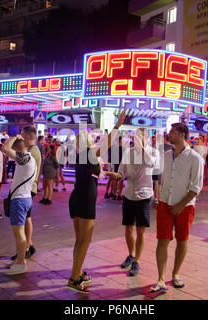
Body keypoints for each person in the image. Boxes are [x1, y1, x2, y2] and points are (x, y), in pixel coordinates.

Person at [67, 110, 126, 293]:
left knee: (80, 241)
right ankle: (74, 279)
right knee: (84, 241)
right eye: (91, 138)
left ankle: (77, 272)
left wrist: (110, 174)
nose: (94, 140)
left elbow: (94, 173)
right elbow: (106, 144)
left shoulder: (82, 156)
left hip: (78, 197)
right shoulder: (88, 154)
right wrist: (117, 125)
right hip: (84, 199)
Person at [149, 123, 204, 293]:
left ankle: (175, 274)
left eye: (172, 132)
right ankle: (160, 279)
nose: (169, 134)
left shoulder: (195, 158)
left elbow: (197, 186)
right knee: (162, 240)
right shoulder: (166, 155)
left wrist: (181, 204)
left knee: (182, 240)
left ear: (181, 135)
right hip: (165, 203)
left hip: (185, 206)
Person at [110, 128, 159, 277]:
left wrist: (143, 147)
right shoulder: (128, 152)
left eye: (140, 136)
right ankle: (131, 255)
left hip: (144, 195)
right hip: (129, 194)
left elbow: (151, 163)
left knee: (141, 230)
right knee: (128, 228)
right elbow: (122, 171)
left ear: (146, 138)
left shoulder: (153, 152)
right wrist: (114, 175)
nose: (136, 138)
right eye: (136, 136)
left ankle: (137, 261)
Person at [2, 136, 37, 275]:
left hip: (20, 199)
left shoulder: (24, 158)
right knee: (20, 233)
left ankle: (21, 264)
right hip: (26, 197)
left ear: (16, 148)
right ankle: (19, 261)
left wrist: (14, 137)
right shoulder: (31, 158)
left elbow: (5, 148)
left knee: (19, 234)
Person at [9, 125, 42, 260]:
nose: (21, 137)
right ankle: (29, 245)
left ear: (27, 137)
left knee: (25, 220)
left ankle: (26, 248)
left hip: (27, 189)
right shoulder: (34, 150)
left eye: (22, 135)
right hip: (29, 189)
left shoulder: (32, 152)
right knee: (26, 218)